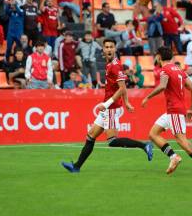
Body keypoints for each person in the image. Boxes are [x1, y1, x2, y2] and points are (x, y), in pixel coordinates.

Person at [61, 38, 154, 173]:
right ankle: (76, 167)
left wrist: (107, 103)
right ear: (103, 50)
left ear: (115, 49)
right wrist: (126, 102)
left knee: (111, 140)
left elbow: (122, 88)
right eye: (107, 47)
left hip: (111, 107)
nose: (109, 49)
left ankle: (145, 146)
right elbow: (121, 87)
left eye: (111, 47)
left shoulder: (115, 66)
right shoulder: (110, 64)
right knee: (91, 135)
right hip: (109, 107)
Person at [141, 46, 192, 177]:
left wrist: (148, 97)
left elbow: (162, 86)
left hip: (174, 110)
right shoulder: (179, 70)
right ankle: (173, 157)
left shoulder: (165, 70)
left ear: (158, 57)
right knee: (153, 134)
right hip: (172, 111)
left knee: (181, 140)